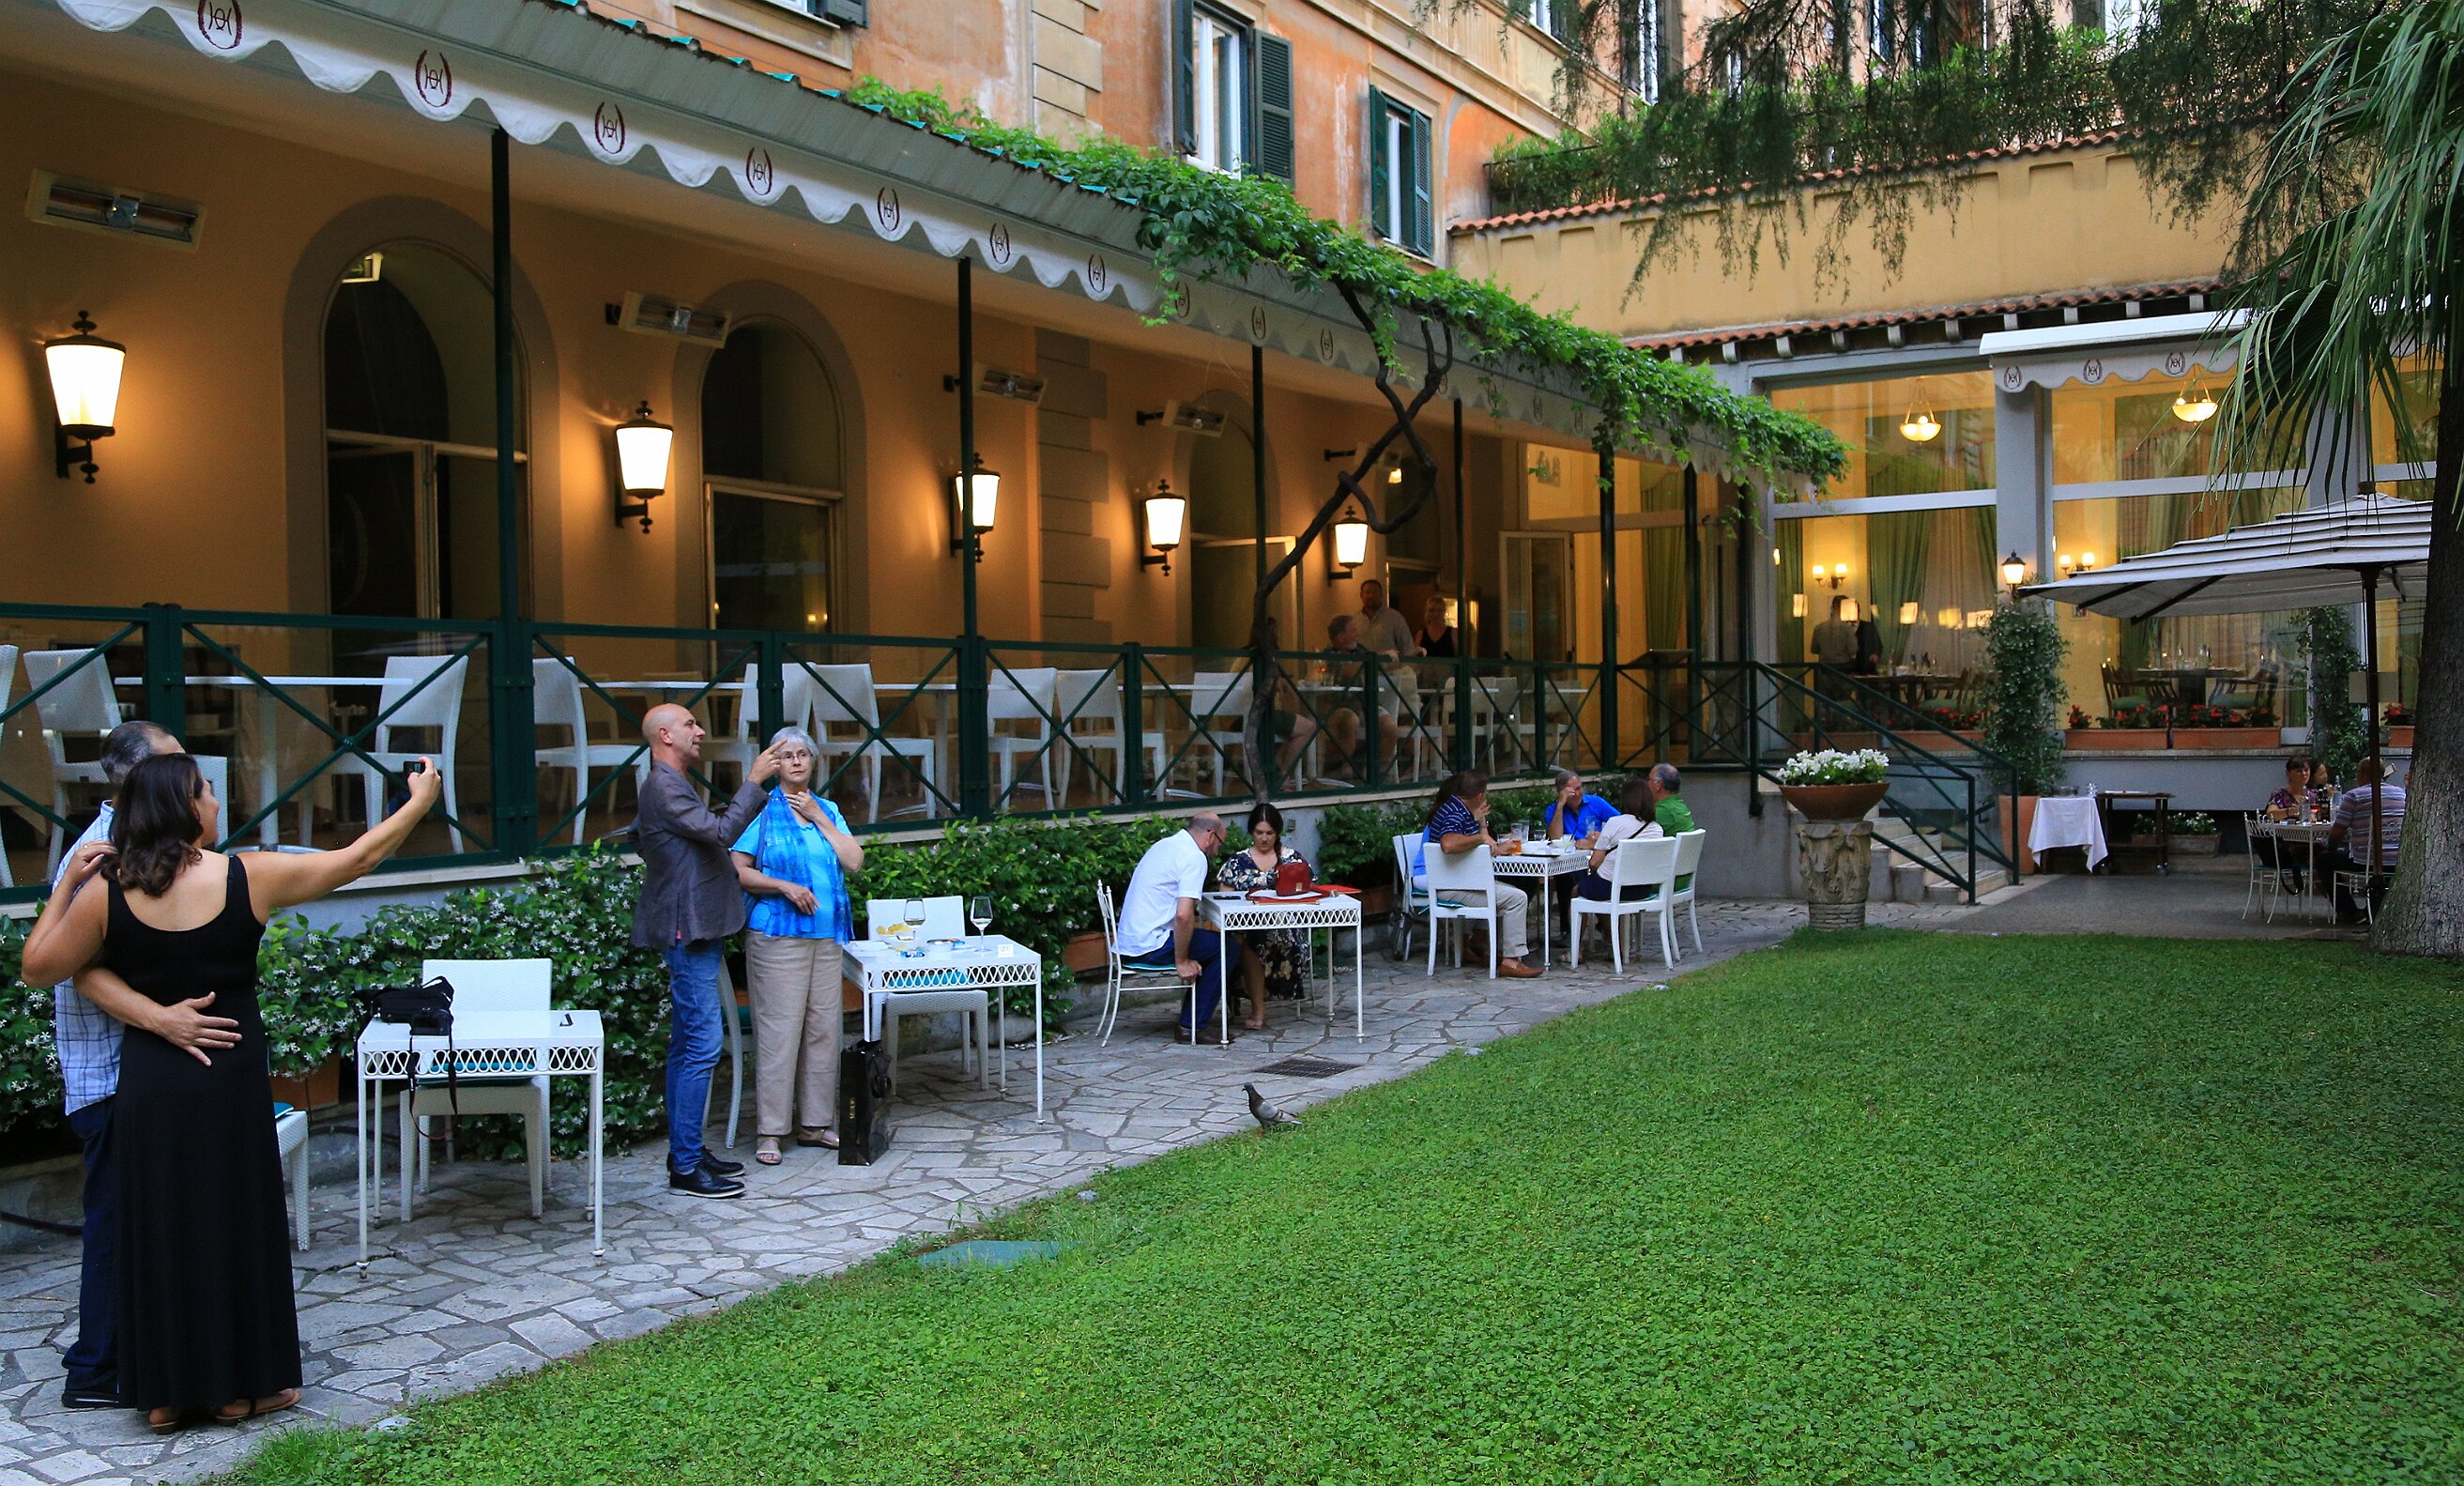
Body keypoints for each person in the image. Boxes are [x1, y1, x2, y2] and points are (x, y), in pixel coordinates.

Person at [21, 751, 440, 1432]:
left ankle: (164, 1396)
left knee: (162, 1226)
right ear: (185, 807)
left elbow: (41, 969)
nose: (217, 802)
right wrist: (418, 803)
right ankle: (241, 1389)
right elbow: (357, 858)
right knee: (234, 1222)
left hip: (154, 1081)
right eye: (207, 791)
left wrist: (69, 882)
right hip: (231, 1075)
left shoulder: (107, 891)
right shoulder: (248, 875)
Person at [48, 721, 186, 1413]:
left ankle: (124, 1354)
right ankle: (94, 1368)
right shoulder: (103, 854)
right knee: (115, 1224)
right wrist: (163, 1018)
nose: (188, 776)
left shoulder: (135, 844)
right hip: (108, 1074)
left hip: (124, 1071)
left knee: (132, 1221)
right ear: (138, 779)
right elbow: (72, 968)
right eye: (174, 763)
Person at [632, 702, 785, 1200]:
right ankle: (686, 1165)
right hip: (688, 929)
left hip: (694, 924)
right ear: (665, 736)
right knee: (700, 1045)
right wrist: (755, 780)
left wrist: (675, 863)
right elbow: (721, 833)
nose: (700, 731)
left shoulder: (668, 784)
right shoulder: (664, 785)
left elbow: (642, 837)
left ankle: (688, 1152)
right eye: (690, 724)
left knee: (686, 1045)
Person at [728, 727, 863, 1168]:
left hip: (827, 935)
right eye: (787, 756)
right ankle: (770, 1130)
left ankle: (815, 1124)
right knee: (780, 1033)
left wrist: (820, 817)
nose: (797, 761)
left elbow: (854, 861)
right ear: (775, 765)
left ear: (814, 761)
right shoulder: (762, 812)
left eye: (804, 754)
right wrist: (783, 886)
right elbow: (737, 869)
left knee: (824, 1030)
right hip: (778, 937)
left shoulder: (829, 809)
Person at [1114, 813, 1243, 1042]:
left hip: (1131, 942)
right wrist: (1182, 961)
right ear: (1210, 836)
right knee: (1227, 948)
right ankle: (1193, 1025)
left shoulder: (1165, 845)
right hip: (1150, 945)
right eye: (1220, 843)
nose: (1218, 851)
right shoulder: (1194, 857)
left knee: (1213, 944)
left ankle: (1193, 1017)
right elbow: (1184, 916)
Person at [1422, 772, 1541, 979]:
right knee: (1517, 898)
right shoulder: (1454, 814)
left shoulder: (1459, 809)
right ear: (1479, 796)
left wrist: (1481, 824)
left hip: (1463, 882)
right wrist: (1480, 838)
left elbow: (1483, 847)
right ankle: (1511, 961)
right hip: (1452, 888)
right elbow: (1448, 844)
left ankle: (1484, 945)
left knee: (1511, 891)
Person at [1214, 802, 1309, 1026]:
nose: (1264, 838)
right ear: (1251, 832)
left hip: (1284, 926)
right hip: (1245, 926)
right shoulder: (1237, 862)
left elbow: (1307, 891)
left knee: (1255, 939)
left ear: (1278, 833)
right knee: (1250, 938)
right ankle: (1257, 1008)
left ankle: (1257, 1009)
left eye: (1269, 833)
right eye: (1259, 833)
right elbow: (1223, 901)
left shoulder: (1292, 860)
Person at [1319, 614, 1402, 778]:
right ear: (1341, 636)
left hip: (1366, 703)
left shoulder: (1360, 650)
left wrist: (1412, 653)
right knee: (1350, 720)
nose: (1357, 634)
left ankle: (1377, 771)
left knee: (1390, 726)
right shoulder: (1329, 654)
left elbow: (1386, 665)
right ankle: (1346, 768)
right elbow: (1347, 672)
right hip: (1340, 705)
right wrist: (1371, 657)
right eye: (1353, 631)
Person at [2327, 758, 2405, 918]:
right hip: (2398, 860)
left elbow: (2337, 832)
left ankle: (2348, 910)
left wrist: (2330, 849)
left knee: (2323, 861)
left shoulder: (2354, 796)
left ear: (2362, 774)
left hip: (2366, 862)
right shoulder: (2401, 794)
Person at [1575, 775, 1665, 903]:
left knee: (1576, 889)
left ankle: (1572, 917)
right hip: (1642, 890)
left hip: (1610, 887)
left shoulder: (1615, 823)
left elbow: (1594, 863)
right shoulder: (1657, 829)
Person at [2253, 757, 2316, 884]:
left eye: (2306, 770)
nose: (2304, 774)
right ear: (2289, 773)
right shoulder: (2280, 794)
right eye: (2299, 771)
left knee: (2324, 853)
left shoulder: (2312, 795)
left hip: (2310, 840)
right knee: (2318, 856)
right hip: (2287, 845)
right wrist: (2288, 812)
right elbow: (2270, 814)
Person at [1647, 763, 1696, 890]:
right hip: (1681, 877)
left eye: (1649, 780)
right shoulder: (1679, 806)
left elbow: (1634, 837)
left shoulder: (1663, 811)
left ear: (1658, 785)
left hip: (1664, 880)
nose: (1647, 784)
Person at [1541, 769, 1619, 842]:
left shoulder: (1596, 802)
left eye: (1578, 788)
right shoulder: (1553, 810)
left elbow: (1621, 823)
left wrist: (1603, 836)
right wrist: (1560, 805)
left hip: (1594, 848)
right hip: (1568, 850)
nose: (1577, 794)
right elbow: (1555, 839)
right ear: (1560, 793)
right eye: (1571, 791)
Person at [1355, 577, 1420, 658]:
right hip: (1361, 665)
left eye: (1375, 592)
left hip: (1388, 666)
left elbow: (1407, 647)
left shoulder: (1395, 618)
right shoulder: (1355, 620)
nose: (1371, 595)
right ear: (1361, 595)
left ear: (1381, 595)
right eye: (1367, 592)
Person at [1811, 595, 1859, 671]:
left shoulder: (1819, 628)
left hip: (1824, 668)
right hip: (1843, 668)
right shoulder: (1847, 628)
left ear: (1832, 607)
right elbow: (1852, 650)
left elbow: (1814, 649)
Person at [1415, 593, 1458, 658]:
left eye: (1439, 610)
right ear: (1427, 612)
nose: (1435, 614)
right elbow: (1415, 659)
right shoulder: (1421, 635)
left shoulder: (1453, 633)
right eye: (1432, 610)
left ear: (1444, 612)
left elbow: (1458, 657)